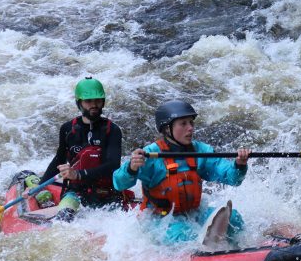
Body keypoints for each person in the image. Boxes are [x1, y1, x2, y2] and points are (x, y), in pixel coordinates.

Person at [113, 100, 251, 245]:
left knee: (233, 218)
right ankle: (204, 251)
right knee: (184, 236)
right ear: (167, 129)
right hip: (160, 220)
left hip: (193, 214)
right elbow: (118, 183)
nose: (190, 128)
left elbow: (233, 179)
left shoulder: (201, 151)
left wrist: (239, 165)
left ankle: (242, 249)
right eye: (183, 123)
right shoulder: (150, 155)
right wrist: (131, 168)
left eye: (191, 123)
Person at [27, 77, 126, 221]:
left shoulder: (112, 130)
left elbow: (113, 165)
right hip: (76, 192)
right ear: (79, 103)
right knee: (63, 220)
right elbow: (59, 159)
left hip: (107, 192)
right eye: (88, 101)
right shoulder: (68, 129)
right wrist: (40, 185)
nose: (94, 105)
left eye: (98, 101)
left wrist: (78, 174)